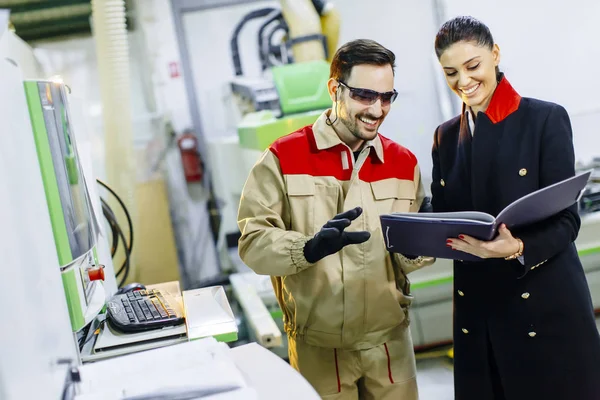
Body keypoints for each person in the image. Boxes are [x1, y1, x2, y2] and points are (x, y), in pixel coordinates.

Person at [237, 39, 434, 399]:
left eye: (387, 97)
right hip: (319, 349)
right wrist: (307, 249)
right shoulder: (283, 158)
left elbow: (408, 260)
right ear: (334, 89)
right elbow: (253, 243)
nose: (377, 109)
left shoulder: (403, 163)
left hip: (390, 345)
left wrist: (427, 236)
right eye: (364, 95)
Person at [431, 15, 600, 400]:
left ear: (495, 54)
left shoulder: (544, 119)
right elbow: (443, 214)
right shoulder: (444, 137)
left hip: (542, 308)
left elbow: (566, 220)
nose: (464, 81)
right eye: (450, 72)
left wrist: (519, 247)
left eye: (473, 66)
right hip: (479, 316)